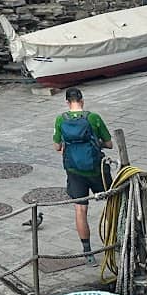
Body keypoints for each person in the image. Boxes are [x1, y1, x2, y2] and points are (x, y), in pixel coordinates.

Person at [54, 87, 113, 264]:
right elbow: (109, 143)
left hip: (74, 170)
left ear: (67, 102)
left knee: (80, 209)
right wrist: (97, 143)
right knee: (112, 200)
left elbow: (57, 147)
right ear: (82, 100)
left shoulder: (60, 120)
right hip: (95, 169)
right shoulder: (93, 118)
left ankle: (87, 251)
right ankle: (114, 240)